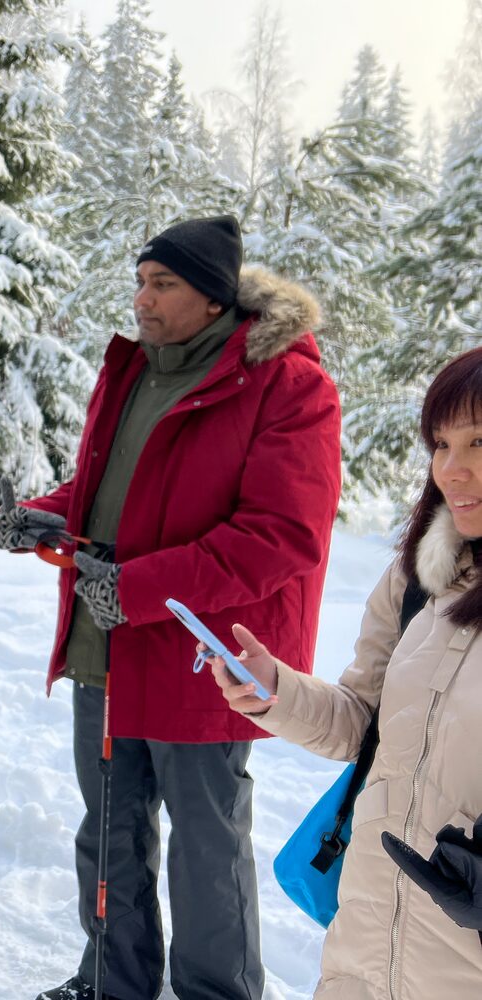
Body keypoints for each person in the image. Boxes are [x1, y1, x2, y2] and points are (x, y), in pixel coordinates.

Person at [0, 215, 342, 1000]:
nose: (141, 298)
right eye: (139, 281)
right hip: (106, 646)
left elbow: (281, 536)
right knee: (109, 829)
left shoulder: (287, 384)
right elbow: (106, 495)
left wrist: (138, 588)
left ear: (213, 297)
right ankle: (113, 981)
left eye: (162, 283)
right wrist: (36, 518)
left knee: (206, 846)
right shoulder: (134, 371)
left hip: (205, 657)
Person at [207, 346, 482, 999]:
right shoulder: (417, 581)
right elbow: (363, 724)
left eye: (479, 441)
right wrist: (275, 690)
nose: (453, 468)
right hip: (365, 940)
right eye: (441, 444)